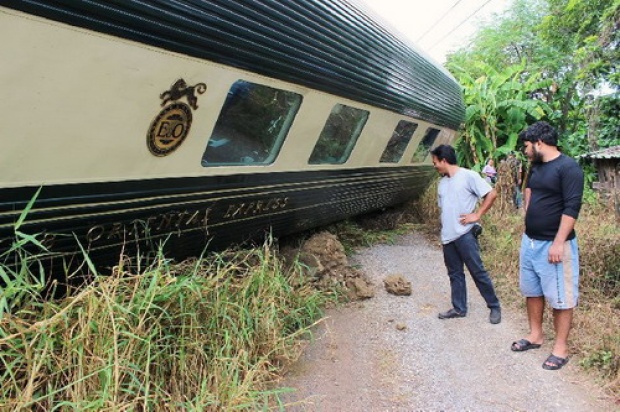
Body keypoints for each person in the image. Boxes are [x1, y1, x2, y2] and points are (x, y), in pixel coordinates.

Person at [511, 121, 584, 371]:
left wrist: (558, 242)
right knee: (532, 291)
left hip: (555, 245)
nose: (525, 150)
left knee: (561, 299)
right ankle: (535, 335)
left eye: (527, 146)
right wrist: (528, 215)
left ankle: (561, 348)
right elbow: (530, 190)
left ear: (539, 143)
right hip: (530, 241)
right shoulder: (537, 166)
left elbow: (572, 208)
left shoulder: (569, 168)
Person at [430, 145, 502, 324]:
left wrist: (477, 215)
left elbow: (491, 194)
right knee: (455, 274)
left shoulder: (468, 176)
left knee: (478, 271)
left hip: (465, 234)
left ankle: (494, 306)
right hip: (448, 236)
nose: (435, 166)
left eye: (435, 162)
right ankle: (459, 308)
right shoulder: (442, 183)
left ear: (444, 160)